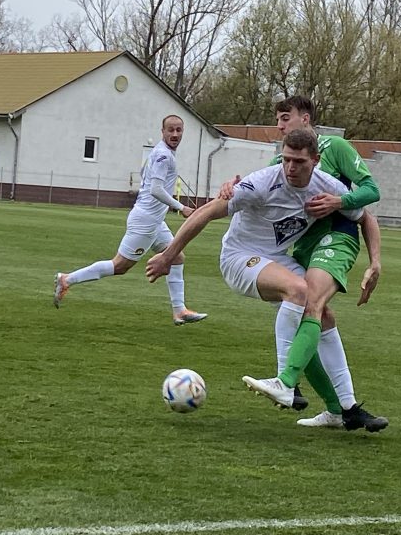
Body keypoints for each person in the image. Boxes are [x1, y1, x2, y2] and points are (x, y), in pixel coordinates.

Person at [145, 129, 386, 432]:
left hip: (274, 259)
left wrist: (375, 262)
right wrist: (168, 255)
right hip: (238, 257)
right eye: (286, 160)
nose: (290, 168)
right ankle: (285, 381)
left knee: (321, 313)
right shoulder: (261, 183)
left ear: (316, 160)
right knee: (299, 290)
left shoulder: (328, 186)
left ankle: (342, 409)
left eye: (299, 162)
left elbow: (365, 217)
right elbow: (206, 213)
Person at [218, 96, 387, 430]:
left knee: (310, 303)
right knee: (314, 316)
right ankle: (343, 409)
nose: (279, 126)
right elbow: (260, 189)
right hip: (301, 246)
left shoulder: (334, 147)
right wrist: (231, 187)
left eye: (284, 118)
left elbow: (369, 197)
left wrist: (371, 254)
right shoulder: (279, 161)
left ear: (305, 119)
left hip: (336, 237)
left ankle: (287, 382)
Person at [54, 115, 208, 325]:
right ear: (162, 132)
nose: (175, 134)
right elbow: (155, 189)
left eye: (179, 130)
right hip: (145, 221)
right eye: (170, 130)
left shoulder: (159, 153)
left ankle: (179, 310)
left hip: (154, 220)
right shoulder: (163, 156)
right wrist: (181, 208)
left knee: (177, 257)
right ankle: (67, 279)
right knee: (120, 266)